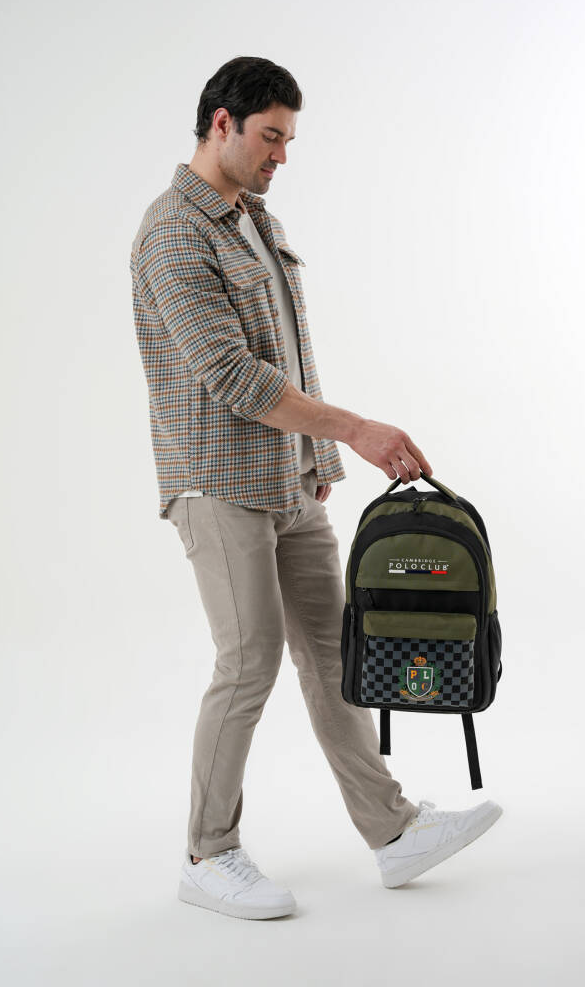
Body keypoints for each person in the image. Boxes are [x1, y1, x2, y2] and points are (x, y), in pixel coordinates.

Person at [130, 55, 502, 921]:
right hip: (217, 483)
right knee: (248, 662)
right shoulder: (172, 233)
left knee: (338, 655)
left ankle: (392, 830)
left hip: (288, 481)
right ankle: (206, 853)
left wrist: (316, 461)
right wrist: (356, 432)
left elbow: (290, 353)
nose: (281, 155)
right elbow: (232, 376)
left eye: (288, 139)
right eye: (270, 136)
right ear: (220, 123)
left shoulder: (252, 219)